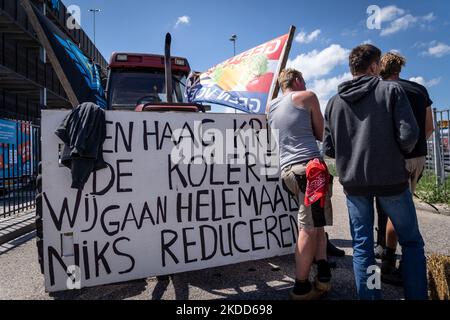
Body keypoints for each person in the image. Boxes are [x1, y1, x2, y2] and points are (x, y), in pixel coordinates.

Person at [323, 44, 428, 300]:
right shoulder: (391, 90)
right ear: (373, 66)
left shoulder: (334, 102)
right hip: (391, 179)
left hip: (354, 184)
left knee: (362, 246)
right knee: (411, 242)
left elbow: (329, 147)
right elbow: (409, 135)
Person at [268, 68, 333, 300]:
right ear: (296, 80)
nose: (305, 83)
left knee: (316, 222)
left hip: (288, 172)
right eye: (303, 80)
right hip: (310, 170)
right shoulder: (308, 97)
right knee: (307, 228)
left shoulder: (271, 107)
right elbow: (321, 133)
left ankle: (323, 272)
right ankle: (301, 288)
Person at [375, 52, 434, 286]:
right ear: (400, 67)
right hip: (418, 156)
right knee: (404, 204)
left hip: (394, 159)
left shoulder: (382, 92)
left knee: (394, 210)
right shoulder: (419, 90)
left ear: (380, 69)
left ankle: (389, 262)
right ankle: (403, 262)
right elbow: (429, 127)